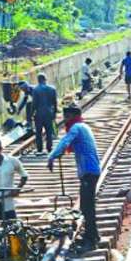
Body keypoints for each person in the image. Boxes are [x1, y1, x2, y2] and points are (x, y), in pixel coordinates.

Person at [48, 104, 101, 250]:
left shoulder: (76, 128)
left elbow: (65, 141)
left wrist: (52, 157)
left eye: (66, 117)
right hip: (90, 170)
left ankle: (91, 239)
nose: (65, 120)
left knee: (87, 206)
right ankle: (94, 235)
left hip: (89, 171)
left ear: (72, 116)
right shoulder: (83, 126)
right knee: (87, 205)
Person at [31, 73, 58, 154]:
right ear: (45, 79)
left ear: (38, 80)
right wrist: (55, 112)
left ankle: (39, 149)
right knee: (49, 131)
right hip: (49, 113)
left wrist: (32, 114)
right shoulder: (52, 89)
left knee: (38, 132)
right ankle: (49, 148)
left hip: (39, 114)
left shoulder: (35, 90)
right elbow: (55, 102)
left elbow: (34, 103)